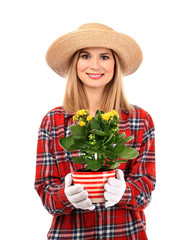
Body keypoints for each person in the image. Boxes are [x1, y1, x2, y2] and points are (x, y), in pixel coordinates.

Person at [35, 23, 156, 240]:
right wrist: (65, 196)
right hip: (70, 235)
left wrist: (124, 192)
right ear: (75, 63)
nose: (95, 65)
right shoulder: (53, 121)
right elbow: (45, 190)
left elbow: (145, 188)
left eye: (104, 56)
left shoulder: (140, 120)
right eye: (85, 56)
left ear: (115, 64)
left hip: (126, 234)